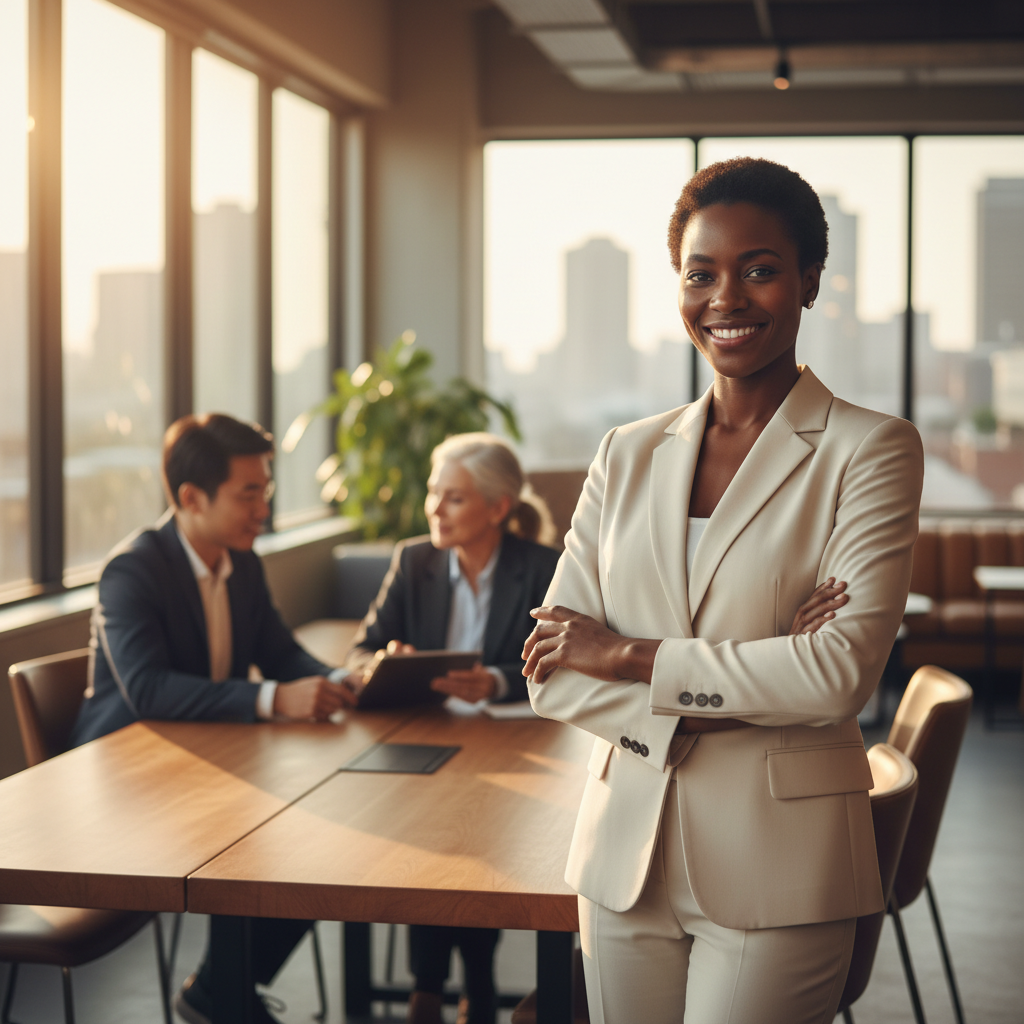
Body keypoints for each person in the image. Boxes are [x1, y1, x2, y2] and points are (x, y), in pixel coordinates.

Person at [523, 157, 924, 1024]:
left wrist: (628, 654)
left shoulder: (871, 450)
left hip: (781, 868)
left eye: (760, 269)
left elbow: (834, 678)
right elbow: (551, 671)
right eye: (701, 273)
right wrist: (750, 673)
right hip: (623, 862)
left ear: (810, 282)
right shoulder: (626, 453)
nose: (727, 297)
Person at [70, 413, 356, 1024]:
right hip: (130, 781)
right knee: (271, 837)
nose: (263, 509)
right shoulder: (132, 570)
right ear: (190, 498)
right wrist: (274, 700)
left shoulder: (241, 563)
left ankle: (220, 994)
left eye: (267, 492)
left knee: (325, 848)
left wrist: (344, 679)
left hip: (210, 765)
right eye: (248, 494)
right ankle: (224, 999)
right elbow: (147, 691)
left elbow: (279, 653)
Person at [347, 432, 561, 1024]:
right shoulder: (414, 560)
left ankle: (430, 990)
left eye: (454, 499)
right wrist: (385, 658)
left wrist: (496, 680)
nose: (435, 510)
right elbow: (360, 650)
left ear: (497, 508)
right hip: (426, 740)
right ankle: (470, 990)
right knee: (436, 843)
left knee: (472, 843)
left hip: (513, 748)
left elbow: (564, 663)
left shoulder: (541, 568)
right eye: (433, 495)